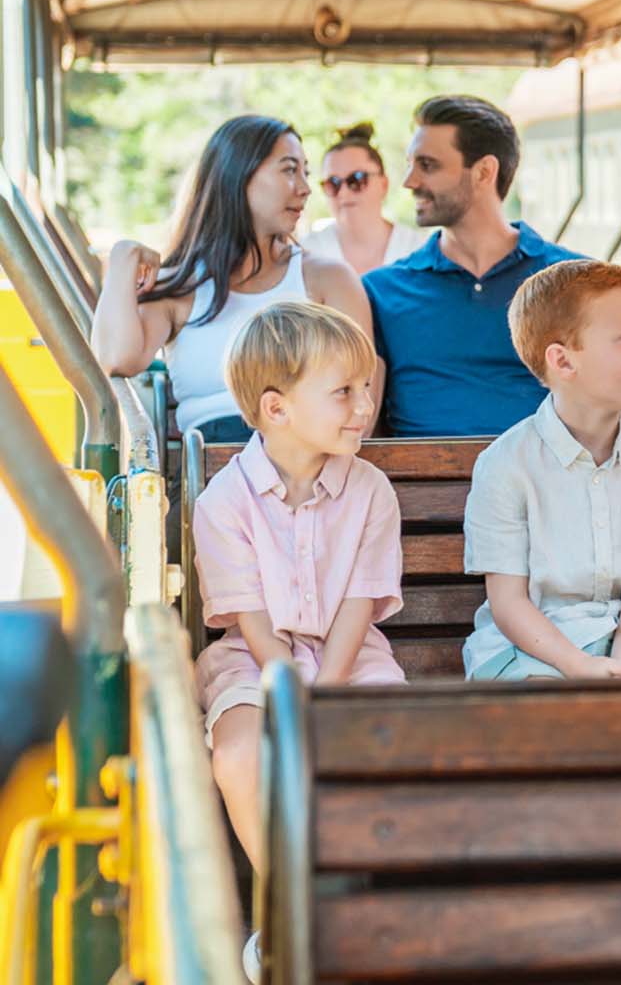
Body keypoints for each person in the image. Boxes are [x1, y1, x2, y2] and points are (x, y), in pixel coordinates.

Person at [190, 300, 405, 980]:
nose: (363, 406)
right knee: (242, 757)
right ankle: (287, 908)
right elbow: (250, 618)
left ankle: (366, 907)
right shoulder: (223, 502)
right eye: (343, 391)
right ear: (277, 409)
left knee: (388, 748)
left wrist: (328, 688)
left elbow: (358, 602)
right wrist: (289, 689)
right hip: (254, 658)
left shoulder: (370, 489)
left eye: (365, 387)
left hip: (350, 655)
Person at [461, 259, 621, 681]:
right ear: (564, 362)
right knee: (553, 716)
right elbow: (509, 602)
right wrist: (579, 666)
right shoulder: (504, 465)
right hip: (530, 650)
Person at [91, 115, 374, 444]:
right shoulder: (182, 288)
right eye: (288, 169)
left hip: (307, 475)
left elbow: (361, 405)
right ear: (238, 175)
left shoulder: (328, 279)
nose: (305, 188)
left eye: (305, 173)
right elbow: (115, 359)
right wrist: (123, 259)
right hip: (209, 479)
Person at [363, 95, 582, 437]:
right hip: (418, 487)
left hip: (548, 485)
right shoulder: (380, 292)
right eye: (410, 164)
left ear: (483, 172)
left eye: (428, 165)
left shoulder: (576, 280)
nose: (409, 181)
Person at [303, 122, 429, 275]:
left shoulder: (418, 251)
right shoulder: (307, 254)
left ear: (384, 184)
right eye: (333, 183)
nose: (343, 193)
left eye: (356, 180)